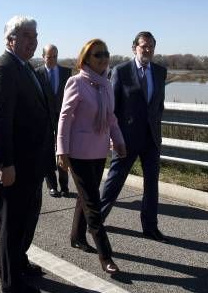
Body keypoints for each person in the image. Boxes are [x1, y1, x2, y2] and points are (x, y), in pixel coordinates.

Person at [0, 16, 55, 293]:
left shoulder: (28, 69)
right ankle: (11, 281)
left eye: (35, 35)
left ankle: (20, 260)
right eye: (26, 35)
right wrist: (5, 164)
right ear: (10, 39)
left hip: (34, 162)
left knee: (28, 218)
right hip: (15, 164)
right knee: (12, 223)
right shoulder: (4, 69)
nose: (33, 41)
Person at [57, 39, 126, 274]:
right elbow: (64, 118)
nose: (104, 58)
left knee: (86, 198)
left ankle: (76, 236)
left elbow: (111, 117)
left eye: (106, 53)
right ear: (86, 59)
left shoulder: (106, 84)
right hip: (78, 152)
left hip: (99, 151)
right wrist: (61, 150)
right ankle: (105, 255)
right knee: (93, 204)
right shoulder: (76, 82)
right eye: (98, 55)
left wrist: (118, 140)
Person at [100, 31, 168, 242]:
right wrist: (114, 135)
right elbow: (112, 108)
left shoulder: (160, 71)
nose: (147, 50)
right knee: (114, 182)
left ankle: (150, 227)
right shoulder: (121, 71)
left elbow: (158, 105)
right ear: (134, 48)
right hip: (126, 139)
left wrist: (156, 128)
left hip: (151, 139)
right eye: (143, 46)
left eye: (150, 47)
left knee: (152, 185)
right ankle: (94, 221)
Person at [35, 44, 72, 198]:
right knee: (47, 151)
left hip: (63, 117)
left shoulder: (66, 72)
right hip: (44, 119)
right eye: (49, 57)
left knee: (63, 150)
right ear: (43, 56)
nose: (52, 60)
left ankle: (64, 186)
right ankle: (52, 185)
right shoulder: (37, 73)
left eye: (55, 56)